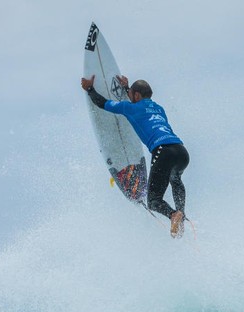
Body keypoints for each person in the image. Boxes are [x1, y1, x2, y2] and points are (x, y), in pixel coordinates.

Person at [81, 74, 190, 238]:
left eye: (131, 93)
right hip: (181, 152)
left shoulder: (129, 108)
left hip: (163, 152)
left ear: (136, 95)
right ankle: (181, 213)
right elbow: (143, 105)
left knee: (153, 201)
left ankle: (173, 215)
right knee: (175, 179)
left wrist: (90, 88)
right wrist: (127, 88)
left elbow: (102, 103)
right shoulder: (159, 108)